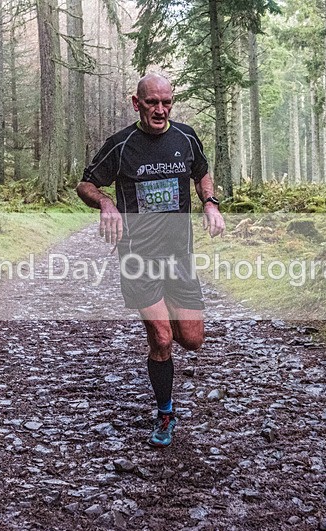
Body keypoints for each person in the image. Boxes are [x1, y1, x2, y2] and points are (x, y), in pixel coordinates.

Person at [76, 73, 225, 448]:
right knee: (161, 337)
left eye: (166, 102)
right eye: (152, 102)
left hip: (179, 257)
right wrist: (106, 203)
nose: (160, 110)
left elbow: (202, 173)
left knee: (191, 339)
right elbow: (86, 184)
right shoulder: (122, 145)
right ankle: (165, 412)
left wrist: (209, 203)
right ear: (136, 103)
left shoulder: (186, 138)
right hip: (138, 258)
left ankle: (162, 345)